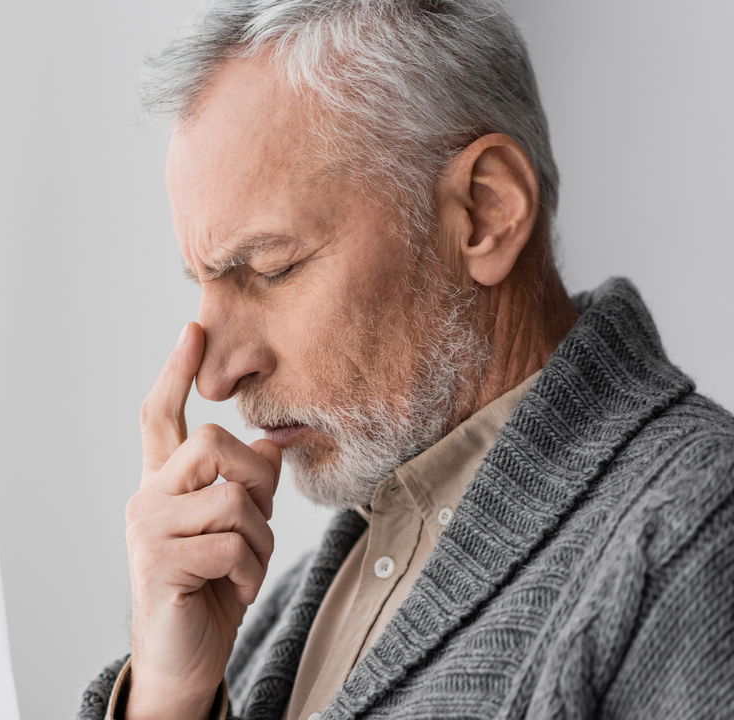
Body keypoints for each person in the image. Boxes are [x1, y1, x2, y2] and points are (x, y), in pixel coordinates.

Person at [77, 1, 734, 719]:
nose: (215, 376)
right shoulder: (274, 622)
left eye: (271, 268)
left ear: (484, 212)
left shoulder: (691, 534)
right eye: (204, 284)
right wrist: (169, 698)